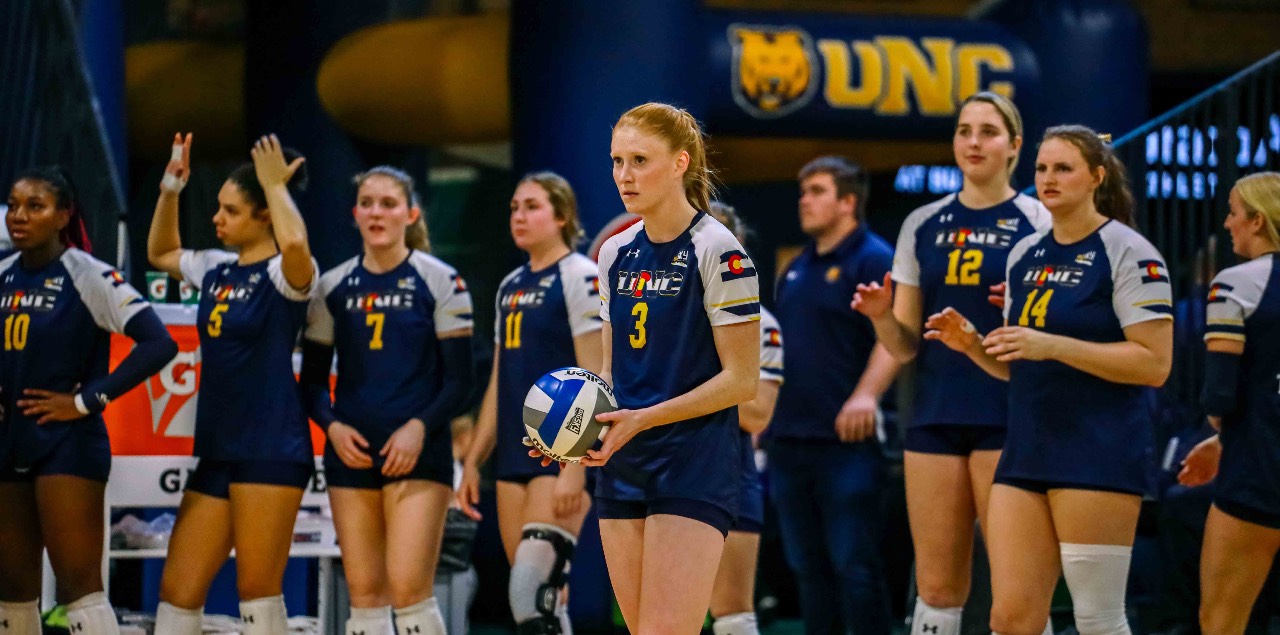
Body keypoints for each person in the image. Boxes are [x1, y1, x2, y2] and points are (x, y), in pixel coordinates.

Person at [925, 125, 1173, 635]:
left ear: (1097, 177)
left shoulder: (1130, 251)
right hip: (1028, 448)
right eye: (1041, 168)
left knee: (1097, 617)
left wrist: (1054, 345)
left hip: (1098, 448)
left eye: (1063, 168)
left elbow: (1154, 364)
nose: (1048, 178)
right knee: (1011, 617)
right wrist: (973, 344)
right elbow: (1021, 363)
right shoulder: (1025, 253)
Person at [851, 92, 1050, 635]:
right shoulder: (923, 222)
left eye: (988, 131)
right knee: (937, 588)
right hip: (935, 415)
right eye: (964, 131)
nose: (973, 142)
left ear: (1014, 145)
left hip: (1008, 414)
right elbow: (905, 345)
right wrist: (880, 317)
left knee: (1015, 590)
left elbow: (1054, 325)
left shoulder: (1038, 219)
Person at [582, 102, 760, 634]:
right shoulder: (614, 252)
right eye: (617, 161)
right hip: (625, 461)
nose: (624, 175)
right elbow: (611, 374)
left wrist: (645, 418)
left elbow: (742, 380)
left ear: (681, 162)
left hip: (692, 461)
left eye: (640, 160)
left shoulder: (718, 249)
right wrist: (574, 430)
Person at [147, 133, 319, 635]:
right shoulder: (216, 267)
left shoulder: (287, 273)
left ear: (264, 215)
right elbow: (161, 252)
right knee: (177, 591)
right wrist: (170, 189)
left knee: (257, 593)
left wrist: (275, 186)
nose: (217, 218)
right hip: (219, 446)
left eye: (231, 210)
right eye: (219, 208)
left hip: (270, 445)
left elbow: (295, 243)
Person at [0, 167, 177, 635]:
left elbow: (159, 344)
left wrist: (85, 401)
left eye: (34, 206)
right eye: (13, 205)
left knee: (79, 590)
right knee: (11, 589)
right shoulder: (2, 273)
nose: (18, 216)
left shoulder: (88, 274)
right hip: (8, 440)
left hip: (68, 443)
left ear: (63, 216)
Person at [300, 165, 474, 635]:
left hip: (418, 452)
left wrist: (419, 427)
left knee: (409, 591)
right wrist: (333, 427)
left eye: (388, 204)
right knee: (364, 597)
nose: (376, 212)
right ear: (355, 214)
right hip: (350, 452)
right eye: (367, 204)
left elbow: (461, 382)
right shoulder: (332, 286)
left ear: (410, 214)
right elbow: (311, 384)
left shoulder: (441, 281)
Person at [455, 172, 599, 635]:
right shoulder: (510, 286)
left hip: (560, 452)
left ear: (562, 216)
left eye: (532, 207)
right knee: (544, 601)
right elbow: (501, 380)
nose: (519, 216)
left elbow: (597, 376)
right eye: (515, 207)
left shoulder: (580, 275)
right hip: (513, 458)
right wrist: (473, 461)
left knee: (529, 594)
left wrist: (575, 465)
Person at [768, 155, 899, 635]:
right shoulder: (796, 268)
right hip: (789, 441)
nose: (804, 201)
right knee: (807, 568)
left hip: (849, 444)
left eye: (817, 191)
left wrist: (866, 395)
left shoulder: (875, 258)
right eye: (803, 192)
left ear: (848, 202)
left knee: (854, 566)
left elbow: (897, 337)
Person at [1174, 171, 1280, 635]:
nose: (1227, 223)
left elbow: (1220, 395)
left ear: (1257, 221)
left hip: (1258, 473)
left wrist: (1221, 435)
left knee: (1221, 621)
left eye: (1234, 213)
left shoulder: (1234, 284)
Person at [706, 201, 784, 635]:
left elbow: (757, 414)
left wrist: (682, 390)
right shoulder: (655, 316)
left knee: (732, 614)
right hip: (657, 468)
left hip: (727, 476)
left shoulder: (760, 322)